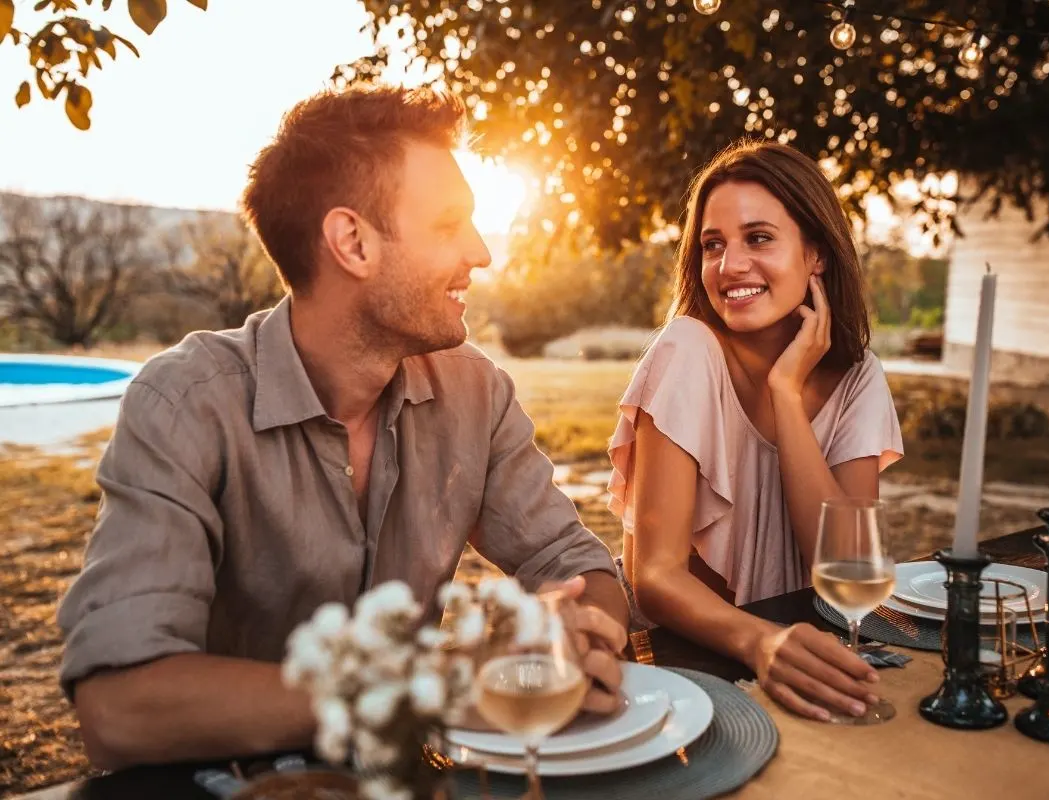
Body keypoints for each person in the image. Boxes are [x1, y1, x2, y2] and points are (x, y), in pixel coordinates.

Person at [56, 86, 629, 771]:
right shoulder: (184, 405)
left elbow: (579, 566)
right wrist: (428, 690)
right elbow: (120, 709)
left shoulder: (475, 391)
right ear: (352, 242)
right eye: (449, 224)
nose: (481, 252)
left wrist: (578, 634)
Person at [607, 140, 904, 722]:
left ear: (816, 253)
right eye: (712, 245)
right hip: (691, 669)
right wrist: (762, 642)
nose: (729, 265)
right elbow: (657, 579)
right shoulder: (687, 349)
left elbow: (839, 564)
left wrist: (787, 395)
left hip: (803, 648)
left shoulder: (859, 377)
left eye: (759, 238)